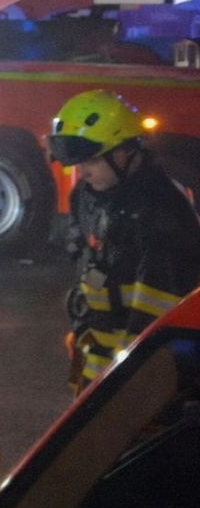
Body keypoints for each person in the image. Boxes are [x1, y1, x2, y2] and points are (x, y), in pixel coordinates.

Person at [47, 88, 200, 394]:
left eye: (91, 160)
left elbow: (159, 306)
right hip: (96, 344)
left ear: (125, 151)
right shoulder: (87, 195)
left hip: (140, 363)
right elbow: (88, 264)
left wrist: (130, 373)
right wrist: (82, 329)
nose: (82, 172)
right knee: (86, 414)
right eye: (78, 162)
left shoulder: (159, 210)